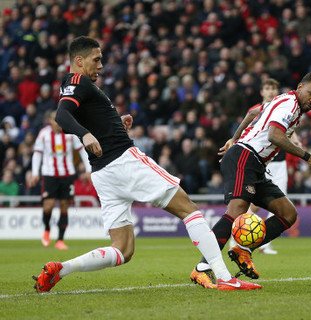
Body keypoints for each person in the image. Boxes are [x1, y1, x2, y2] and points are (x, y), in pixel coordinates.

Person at [32, 36, 261, 292]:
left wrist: (117, 123)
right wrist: (85, 135)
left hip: (104, 173)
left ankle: (61, 269)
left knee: (123, 250)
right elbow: (62, 115)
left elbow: (82, 117)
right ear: (79, 60)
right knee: (189, 209)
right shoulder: (77, 80)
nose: (100, 65)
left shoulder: (79, 86)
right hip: (124, 162)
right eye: (96, 59)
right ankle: (224, 278)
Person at [190, 72, 311, 288]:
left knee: (288, 213)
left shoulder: (285, 102)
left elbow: (254, 112)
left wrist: (234, 138)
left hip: (255, 164)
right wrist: (307, 157)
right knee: (236, 211)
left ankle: (243, 250)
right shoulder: (289, 105)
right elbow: (274, 135)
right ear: (300, 87)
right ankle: (203, 268)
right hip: (245, 157)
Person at [225, 78, 297, 255]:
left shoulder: (284, 109)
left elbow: (287, 134)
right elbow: (248, 130)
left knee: (280, 204)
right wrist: (234, 140)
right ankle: (239, 237)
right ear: (261, 92)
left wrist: (297, 143)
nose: (271, 91)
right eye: (267, 88)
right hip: (258, 161)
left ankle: (263, 244)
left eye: (274, 88)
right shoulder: (258, 110)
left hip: (279, 163)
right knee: (252, 204)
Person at [30, 110, 92, 250]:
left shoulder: (70, 133)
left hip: (67, 174)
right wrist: (35, 173)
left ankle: (60, 240)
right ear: (50, 121)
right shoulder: (44, 134)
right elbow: (37, 154)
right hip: (50, 174)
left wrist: (88, 170)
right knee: (49, 205)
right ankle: (47, 229)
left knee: (64, 205)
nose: (57, 123)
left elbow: (82, 150)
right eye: (54, 120)